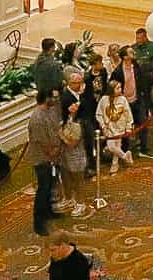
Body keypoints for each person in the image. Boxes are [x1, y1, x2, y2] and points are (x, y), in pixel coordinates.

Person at [28, 88, 65, 236]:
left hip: (50, 157)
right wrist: (52, 152)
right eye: (52, 97)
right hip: (41, 158)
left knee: (49, 185)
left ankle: (48, 212)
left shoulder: (48, 112)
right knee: (42, 190)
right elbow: (41, 141)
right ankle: (38, 222)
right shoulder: (37, 118)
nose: (55, 100)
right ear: (46, 99)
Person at [59, 69, 91, 213]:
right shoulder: (64, 98)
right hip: (66, 138)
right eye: (75, 83)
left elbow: (88, 114)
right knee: (65, 170)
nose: (78, 85)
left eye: (80, 82)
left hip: (79, 139)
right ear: (68, 83)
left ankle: (80, 202)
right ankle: (68, 198)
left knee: (77, 172)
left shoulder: (83, 96)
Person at [131, 26, 153, 155]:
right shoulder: (133, 49)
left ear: (145, 37)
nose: (138, 40)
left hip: (151, 80)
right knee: (141, 104)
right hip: (139, 83)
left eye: (140, 37)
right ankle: (141, 126)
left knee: (152, 101)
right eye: (137, 37)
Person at [98, 80, 135, 173]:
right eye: (117, 88)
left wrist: (129, 126)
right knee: (111, 146)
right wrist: (103, 125)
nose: (120, 89)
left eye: (120, 87)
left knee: (117, 145)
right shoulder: (104, 99)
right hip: (109, 128)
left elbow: (128, 113)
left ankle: (115, 164)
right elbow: (98, 114)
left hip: (120, 127)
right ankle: (125, 156)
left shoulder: (123, 99)